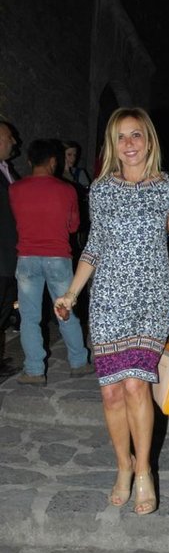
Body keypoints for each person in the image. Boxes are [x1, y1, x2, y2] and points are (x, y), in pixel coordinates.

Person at [54, 107, 169, 516]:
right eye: (120, 137)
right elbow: (94, 246)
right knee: (111, 391)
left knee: (136, 385)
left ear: (149, 140)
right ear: (112, 145)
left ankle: (144, 469)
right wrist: (71, 294)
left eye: (136, 135)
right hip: (108, 300)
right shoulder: (101, 190)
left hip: (151, 298)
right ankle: (123, 466)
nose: (129, 144)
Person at [9, 139, 93, 385]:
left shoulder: (15, 189)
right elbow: (74, 226)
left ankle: (34, 370)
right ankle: (78, 362)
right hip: (58, 258)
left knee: (29, 317)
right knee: (65, 312)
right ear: (54, 161)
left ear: (29, 161)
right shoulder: (67, 190)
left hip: (27, 258)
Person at [0, 121, 19, 369]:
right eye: (9, 137)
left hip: (9, 254)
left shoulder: (7, 169)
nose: (14, 141)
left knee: (4, 310)